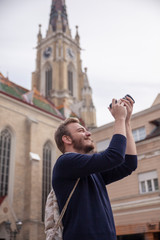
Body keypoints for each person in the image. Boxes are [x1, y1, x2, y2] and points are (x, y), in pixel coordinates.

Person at [52, 96, 137, 240]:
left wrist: (127, 122)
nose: (88, 133)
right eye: (81, 131)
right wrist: (119, 119)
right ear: (66, 139)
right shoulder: (65, 162)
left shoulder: (92, 173)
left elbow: (129, 164)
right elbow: (114, 156)